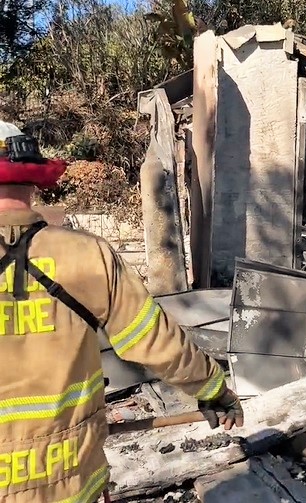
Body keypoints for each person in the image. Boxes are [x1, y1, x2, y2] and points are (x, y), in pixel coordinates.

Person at [0, 121, 244, 503]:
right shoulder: (87, 255)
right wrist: (213, 390)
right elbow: (154, 340)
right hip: (67, 480)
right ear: (33, 184)